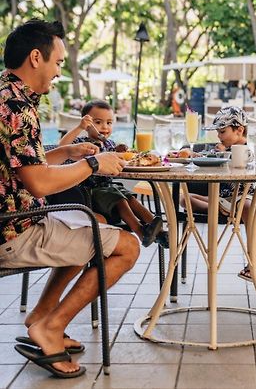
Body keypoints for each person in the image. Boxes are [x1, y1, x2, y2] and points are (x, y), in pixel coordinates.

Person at [0, 20, 140, 378]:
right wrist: (94, 163)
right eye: (58, 62)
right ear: (36, 57)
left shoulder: (6, 94)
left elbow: (22, 165)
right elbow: (39, 184)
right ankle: (50, 327)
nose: (59, 71)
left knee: (88, 226)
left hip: (19, 220)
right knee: (127, 246)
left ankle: (41, 317)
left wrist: (65, 151)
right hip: (13, 232)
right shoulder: (16, 106)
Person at [59, 99, 167, 248]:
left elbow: (122, 160)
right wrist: (79, 127)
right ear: (87, 124)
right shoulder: (81, 142)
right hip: (88, 193)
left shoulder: (109, 145)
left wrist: (123, 152)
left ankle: (160, 233)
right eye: (98, 122)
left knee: (130, 198)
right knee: (120, 198)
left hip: (108, 187)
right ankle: (140, 232)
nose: (104, 127)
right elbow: (61, 148)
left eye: (109, 123)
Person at [181, 106, 256, 281]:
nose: (219, 136)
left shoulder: (248, 149)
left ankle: (255, 262)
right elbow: (208, 160)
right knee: (183, 199)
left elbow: (247, 168)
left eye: (222, 131)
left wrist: (224, 155)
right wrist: (200, 155)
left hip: (243, 196)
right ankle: (220, 209)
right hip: (222, 198)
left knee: (247, 206)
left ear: (239, 130)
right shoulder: (223, 148)